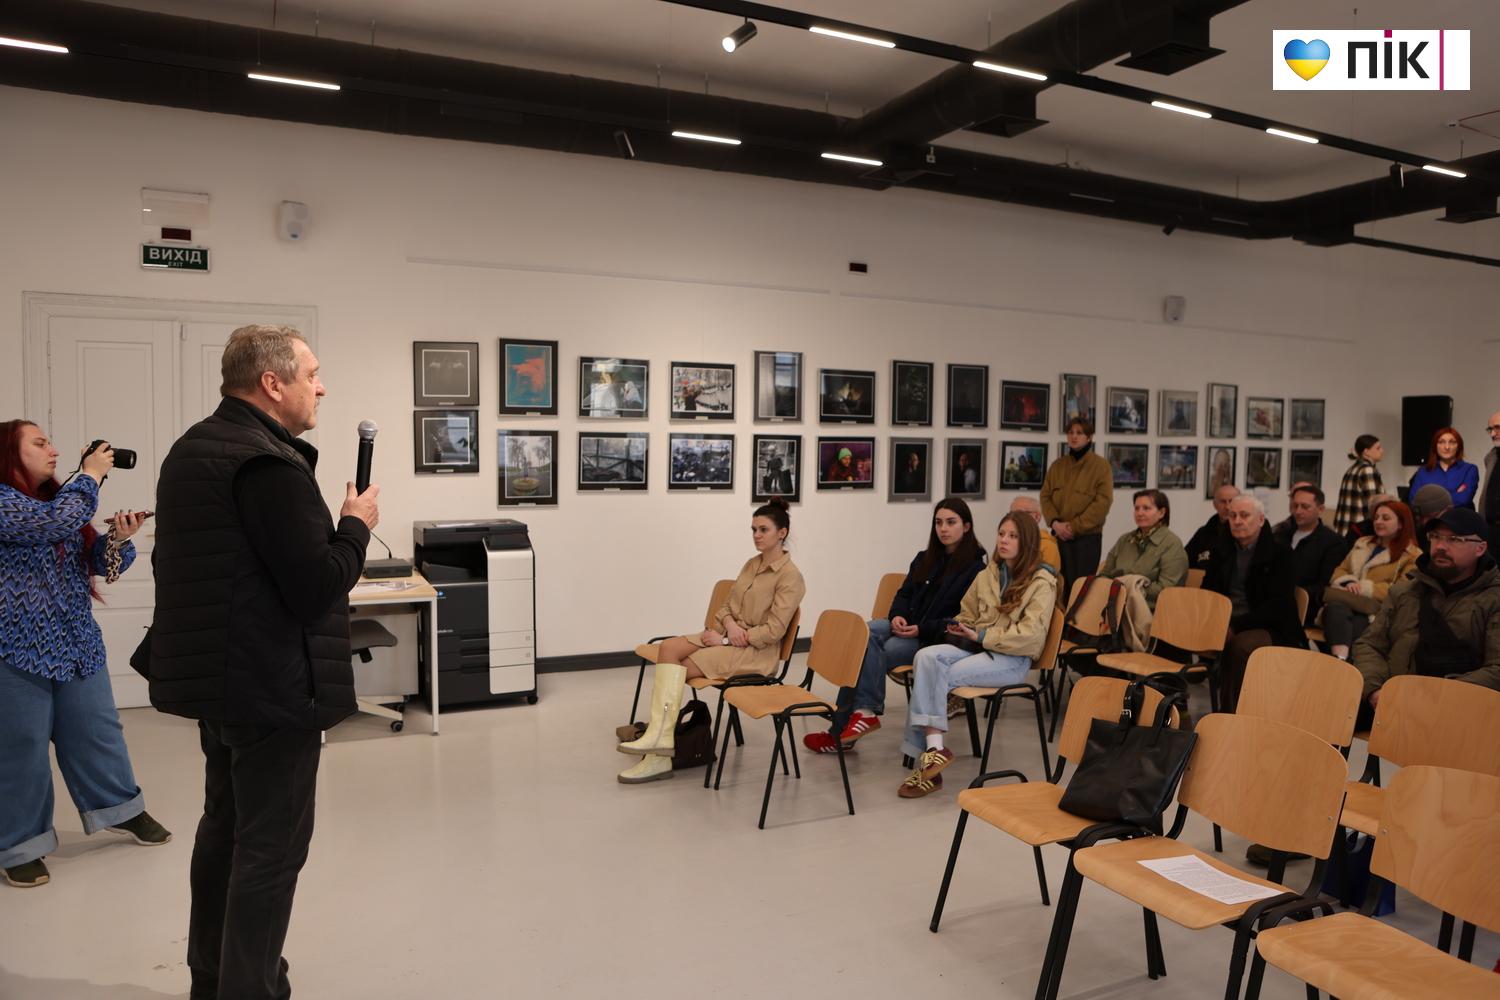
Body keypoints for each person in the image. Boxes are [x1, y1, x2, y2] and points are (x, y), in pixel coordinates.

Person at [141, 325, 379, 999]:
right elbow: (316, 586)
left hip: (222, 685)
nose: (322, 386)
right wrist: (355, 522)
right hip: (273, 689)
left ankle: (215, 981)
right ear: (273, 383)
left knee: (224, 833)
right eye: (312, 374)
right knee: (270, 853)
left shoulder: (194, 449)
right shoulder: (269, 465)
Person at [1, 423, 170, 889]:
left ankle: (121, 810)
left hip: (76, 643)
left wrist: (116, 538)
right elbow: (49, 526)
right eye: (39, 443)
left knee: (97, 732)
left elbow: (98, 567)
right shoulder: (7, 502)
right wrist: (90, 474)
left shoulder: (63, 504)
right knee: (21, 748)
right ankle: (20, 845)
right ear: (8, 454)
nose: (53, 450)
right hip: (14, 648)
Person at [620, 499, 805, 782]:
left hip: (754, 653)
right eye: (753, 529)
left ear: (782, 533)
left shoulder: (791, 577)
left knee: (677, 665)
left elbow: (774, 631)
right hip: (728, 637)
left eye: (763, 529)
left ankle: (658, 751)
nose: (756, 535)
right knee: (668, 648)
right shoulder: (751, 564)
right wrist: (727, 627)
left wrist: (728, 641)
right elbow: (726, 607)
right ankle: (660, 738)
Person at [895, 512, 1057, 798]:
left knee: (937, 674)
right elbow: (966, 612)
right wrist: (963, 627)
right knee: (926, 658)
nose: (1004, 541)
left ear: (1028, 542)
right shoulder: (989, 574)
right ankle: (935, 750)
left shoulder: (1041, 582)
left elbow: (1031, 637)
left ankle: (926, 764)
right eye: (1001, 534)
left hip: (1011, 661)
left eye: (1013, 536)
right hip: (978, 649)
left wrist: (982, 635)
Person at [804, 499, 985, 754]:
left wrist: (921, 629)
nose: (943, 528)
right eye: (938, 522)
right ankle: (859, 717)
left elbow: (962, 619)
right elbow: (903, 595)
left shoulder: (976, 570)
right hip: (906, 628)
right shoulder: (924, 558)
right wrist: (898, 615)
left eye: (951, 522)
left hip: (933, 640)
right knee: (865, 633)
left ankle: (846, 727)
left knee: (863, 653)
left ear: (966, 526)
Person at [1353, 507, 1500, 730]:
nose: (1440, 546)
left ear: (1480, 548)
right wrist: (1375, 690)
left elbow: (1496, 668)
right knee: (1324, 710)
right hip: (1388, 702)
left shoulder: (1493, 600)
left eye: (1454, 539)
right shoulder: (1405, 592)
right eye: (1436, 537)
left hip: (1455, 716)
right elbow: (1369, 644)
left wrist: (1435, 698)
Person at [1203, 495, 1303, 713]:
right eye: (1232, 515)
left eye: (1244, 515)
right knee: (1175, 632)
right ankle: (1173, 708)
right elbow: (1208, 592)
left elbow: (1278, 606)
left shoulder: (1281, 554)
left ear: (1260, 519)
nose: (1237, 521)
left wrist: (1234, 626)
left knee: (1240, 646)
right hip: (1226, 621)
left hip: (1267, 626)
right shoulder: (1222, 551)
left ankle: (1232, 715)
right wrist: (1217, 624)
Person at [1321, 499, 1420, 660]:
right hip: (1347, 601)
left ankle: (1341, 665)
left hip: (1379, 611)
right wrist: (1349, 582)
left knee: (1357, 622)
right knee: (1335, 609)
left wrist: (1365, 588)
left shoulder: (1412, 555)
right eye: (1376, 518)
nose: (1378, 522)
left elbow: (1403, 589)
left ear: (1401, 523)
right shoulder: (1363, 543)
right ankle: (1340, 661)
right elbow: (1340, 570)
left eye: (1385, 518)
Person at [1040, 418, 1113, 595]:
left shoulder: (1101, 466)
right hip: (1059, 536)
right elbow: (1045, 496)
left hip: (1086, 540)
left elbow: (1103, 502)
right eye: (1071, 432)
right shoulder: (1058, 466)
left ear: (1089, 437)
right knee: (1057, 587)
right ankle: (1059, 623)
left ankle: (1076, 624)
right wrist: (1055, 523)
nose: (1074, 436)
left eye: (1079, 433)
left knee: (1081, 590)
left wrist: (1074, 527)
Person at [1097, 489, 1188, 608]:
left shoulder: (1172, 544)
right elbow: (1105, 574)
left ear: (1161, 512)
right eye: (1136, 508)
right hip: (1116, 605)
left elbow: (1166, 589)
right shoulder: (1124, 540)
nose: (1140, 513)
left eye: (1146, 508)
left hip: (1153, 610)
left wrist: (1129, 586)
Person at [1272, 485, 1348, 625]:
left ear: (1320, 509)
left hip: (1306, 607)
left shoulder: (1333, 542)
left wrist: (1292, 594)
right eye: (1295, 506)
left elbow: (1324, 584)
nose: (1298, 511)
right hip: (1275, 600)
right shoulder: (1281, 535)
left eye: (1305, 507)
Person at [1408, 427, 1479, 511]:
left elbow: (1464, 499)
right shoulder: (1423, 472)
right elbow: (1414, 500)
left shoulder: (1470, 470)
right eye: (1441, 442)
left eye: (1452, 442)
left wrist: (1430, 501)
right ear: (1435, 446)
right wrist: (1454, 494)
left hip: (1459, 521)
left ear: (1459, 446)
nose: (1447, 447)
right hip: (1431, 522)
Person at [1334, 434, 1384, 535]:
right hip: (1357, 533)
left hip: (1343, 530)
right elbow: (1373, 505)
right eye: (1378, 448)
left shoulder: (1352, 469)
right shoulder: (1367, 470)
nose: (1382, 450)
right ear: (1366, 452)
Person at [1186, 484, 1238, 567]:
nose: (1227, 507)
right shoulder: (1203, 533)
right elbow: (1185, 561)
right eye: (1223, 502)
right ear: (1215, 505)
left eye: (1231, 501)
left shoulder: (1244, 533)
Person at [1009, 496, 1060, 577]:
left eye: (1020, 514)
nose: (1014, 519)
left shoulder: (1047, 546)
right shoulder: (1007, 541)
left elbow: (1045, 580)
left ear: (1037, 517)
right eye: (1012, 514)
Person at [1410, 483, 1452, 556]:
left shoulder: (1464, 534)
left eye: (1431, 516)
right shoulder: (1417, 535)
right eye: (1421, 517)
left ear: (1449, 510)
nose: (1425, 522)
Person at [1482, 410, 1500, 548]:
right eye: (1490, 429)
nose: (1493, 434)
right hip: (1491, 531)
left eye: (1498, 428)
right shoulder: (1491, 458)